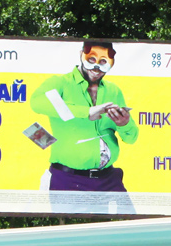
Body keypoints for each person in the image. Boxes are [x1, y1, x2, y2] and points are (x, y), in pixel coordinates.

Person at [30, 40, 139, 193]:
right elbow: (37, 103)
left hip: (108, 180)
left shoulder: (113, 91)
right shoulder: (60, 83)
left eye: (103, 62)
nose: (96, 66)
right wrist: (87, 112)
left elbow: (131, 138)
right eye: (92, 60)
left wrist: (124, 124)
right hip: (68, 179)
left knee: (133, 217)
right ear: (81, 55)